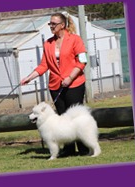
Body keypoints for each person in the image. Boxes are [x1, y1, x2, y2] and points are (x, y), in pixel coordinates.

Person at [20, 12, 89, 157]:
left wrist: (70, 77)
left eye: (53, 24)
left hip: (74, 83)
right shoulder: (48, 43)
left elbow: (82, 61)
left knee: (75, 117)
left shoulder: (75, 40)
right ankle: (68, 149)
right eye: (50, 24)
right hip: (55, 85)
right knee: (62, 117)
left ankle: (83, 149)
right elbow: (44, 65)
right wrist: (29, 77)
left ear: (62, 25)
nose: (51, 26)